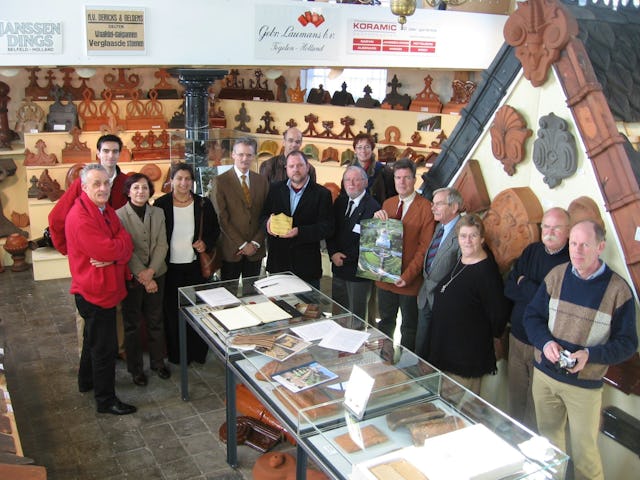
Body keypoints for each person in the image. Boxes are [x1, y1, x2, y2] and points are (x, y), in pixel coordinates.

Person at [524, 220, 638, 480]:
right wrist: (545, 342)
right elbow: (532, 317)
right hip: (545, 376)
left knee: (585, 455)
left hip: (584, 386)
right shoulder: (556, 275)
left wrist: (590, 355)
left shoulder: (619, 290)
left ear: (600, 247)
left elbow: (628, 343)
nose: (577, 250)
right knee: (549, 448)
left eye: (584, 244)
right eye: (573, 243)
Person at [48, 133, 129, 358]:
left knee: (117, 308)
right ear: (98, 153)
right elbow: (56, 218)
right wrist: (71, 251)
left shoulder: (125, 183)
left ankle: (118, 349)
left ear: (120, 154)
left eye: (115, 151)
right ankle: (89, 354)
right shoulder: (81, 184)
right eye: (106, 151)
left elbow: (126, 227)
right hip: (90, 263)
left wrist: (118, 252)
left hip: (117, 260)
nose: (110, 155)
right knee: (87, 313)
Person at [66, 164, 136, 415]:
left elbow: (125, 241)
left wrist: (115, 253)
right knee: (104, 349)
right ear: (84, 187)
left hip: (102, 287)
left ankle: (85, 381)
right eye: (96, 184)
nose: (103, 188)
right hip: (95, 292)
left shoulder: (103, 209)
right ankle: (105, 400)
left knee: (91, 341)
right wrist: (117, 251)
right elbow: (107, 249)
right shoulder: (81, 216)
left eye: (106, 183)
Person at [427, 213, 510, 394]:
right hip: (446, 347)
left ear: (481, 239)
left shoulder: (486, 271)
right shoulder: (462, 260)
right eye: (463, 236)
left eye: (473, 236)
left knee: (458, 409)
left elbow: (498, 313)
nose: (468, 241)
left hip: (466, 355)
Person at [503, 207, 571, 430]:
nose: (549, 232)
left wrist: (526, 284)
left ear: (568, 231)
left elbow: (553, 305)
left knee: (536, 407)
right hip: (517, 338)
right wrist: (535, 290)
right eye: (546, 226)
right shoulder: (532, 251)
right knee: (515, 399)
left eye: (556, 228)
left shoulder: (570, 263)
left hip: (544, 346)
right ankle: (511, 445)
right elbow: (509, 288)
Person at [154, 163, 220, 365]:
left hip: (195, 268)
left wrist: (205, 243)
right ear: (171, 180)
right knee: (172, 313)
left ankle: (197, 353)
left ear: (193, 181)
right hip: (170, 268)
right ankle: (177, 355)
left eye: (188, 179)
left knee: (198, 311)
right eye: (179, 178)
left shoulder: (203, 203)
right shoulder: (161, 204)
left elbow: (215, 230)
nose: (183, 183)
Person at [373, 158, 434, 351]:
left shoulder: (426, 208)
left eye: (406, 178)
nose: (401, 182)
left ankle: (406, 370)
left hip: (409, 282)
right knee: (385, 323)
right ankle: (384, 359)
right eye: (398, 177)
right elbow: (380, 241)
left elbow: (424, 249)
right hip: (385, 280)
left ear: (414, 179)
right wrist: (376, 223)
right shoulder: (388, 204)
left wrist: (407, 276)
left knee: (409, 328)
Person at [116, 173, 171, 386]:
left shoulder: (158, 212)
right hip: (132, 276)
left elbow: (162, 244)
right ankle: (135, 369)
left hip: (158, 273)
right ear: (128, 191)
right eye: (136, 188)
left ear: (150, 191)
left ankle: (158, 363)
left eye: (145, 188)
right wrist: (143, 275)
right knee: (132, 324)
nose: (141, 192)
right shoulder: (119, 215)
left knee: (156, 320)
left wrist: (151, 272)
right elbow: (125, 250)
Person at [262, 150, 333, 289]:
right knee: (277, 308)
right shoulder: (274, 189)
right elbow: (262, 217)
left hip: (307, 266)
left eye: (300, 165)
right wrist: (267, 224)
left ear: (307, 167)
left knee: (308, 309)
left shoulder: (322, 194)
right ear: (286, 169)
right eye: (291, 166)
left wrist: (300, 231)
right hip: (278, 263)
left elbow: (327, 227)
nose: (296, 169)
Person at [327, 166, 380, 327]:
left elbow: (371, 245)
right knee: (339, 315)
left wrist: (346, 258)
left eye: (356, 179)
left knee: (357, 318)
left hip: (358, 273)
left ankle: (356, 351)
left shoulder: (373, 207)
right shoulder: (340, 202)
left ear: (365, 182)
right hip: (338, 267)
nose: (351, 183)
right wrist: (333, 253)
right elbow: (331, 230)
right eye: (347, 180)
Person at [415, 187, 463, 359]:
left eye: (438, 204)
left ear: (454, 207)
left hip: (444, 303)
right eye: (433, 204)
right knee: (420, 348)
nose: (432, 208)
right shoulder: (439, 228)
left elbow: (461, 274)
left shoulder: (463, 233)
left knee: (437, 352)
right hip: (425, 297)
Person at [213, 137, 269, 281]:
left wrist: (255, 243)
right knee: (228, 296)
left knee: (253, 296)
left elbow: (267, 214)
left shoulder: (262, 181)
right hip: (232, 250)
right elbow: (222, 218)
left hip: (255, 251)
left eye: (249, 155)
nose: (245, 158)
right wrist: (243, 245)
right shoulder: (220, 182)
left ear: (254, 157)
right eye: (241, 154)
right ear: (233, 154)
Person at [350, 132, 396, 205]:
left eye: (367, 147)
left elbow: (392, 198)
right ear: (355, 150)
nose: (363, 151)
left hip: (377, 212)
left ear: (372, 149)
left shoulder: (384, 171)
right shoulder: (349, 172)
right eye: (359, 147)